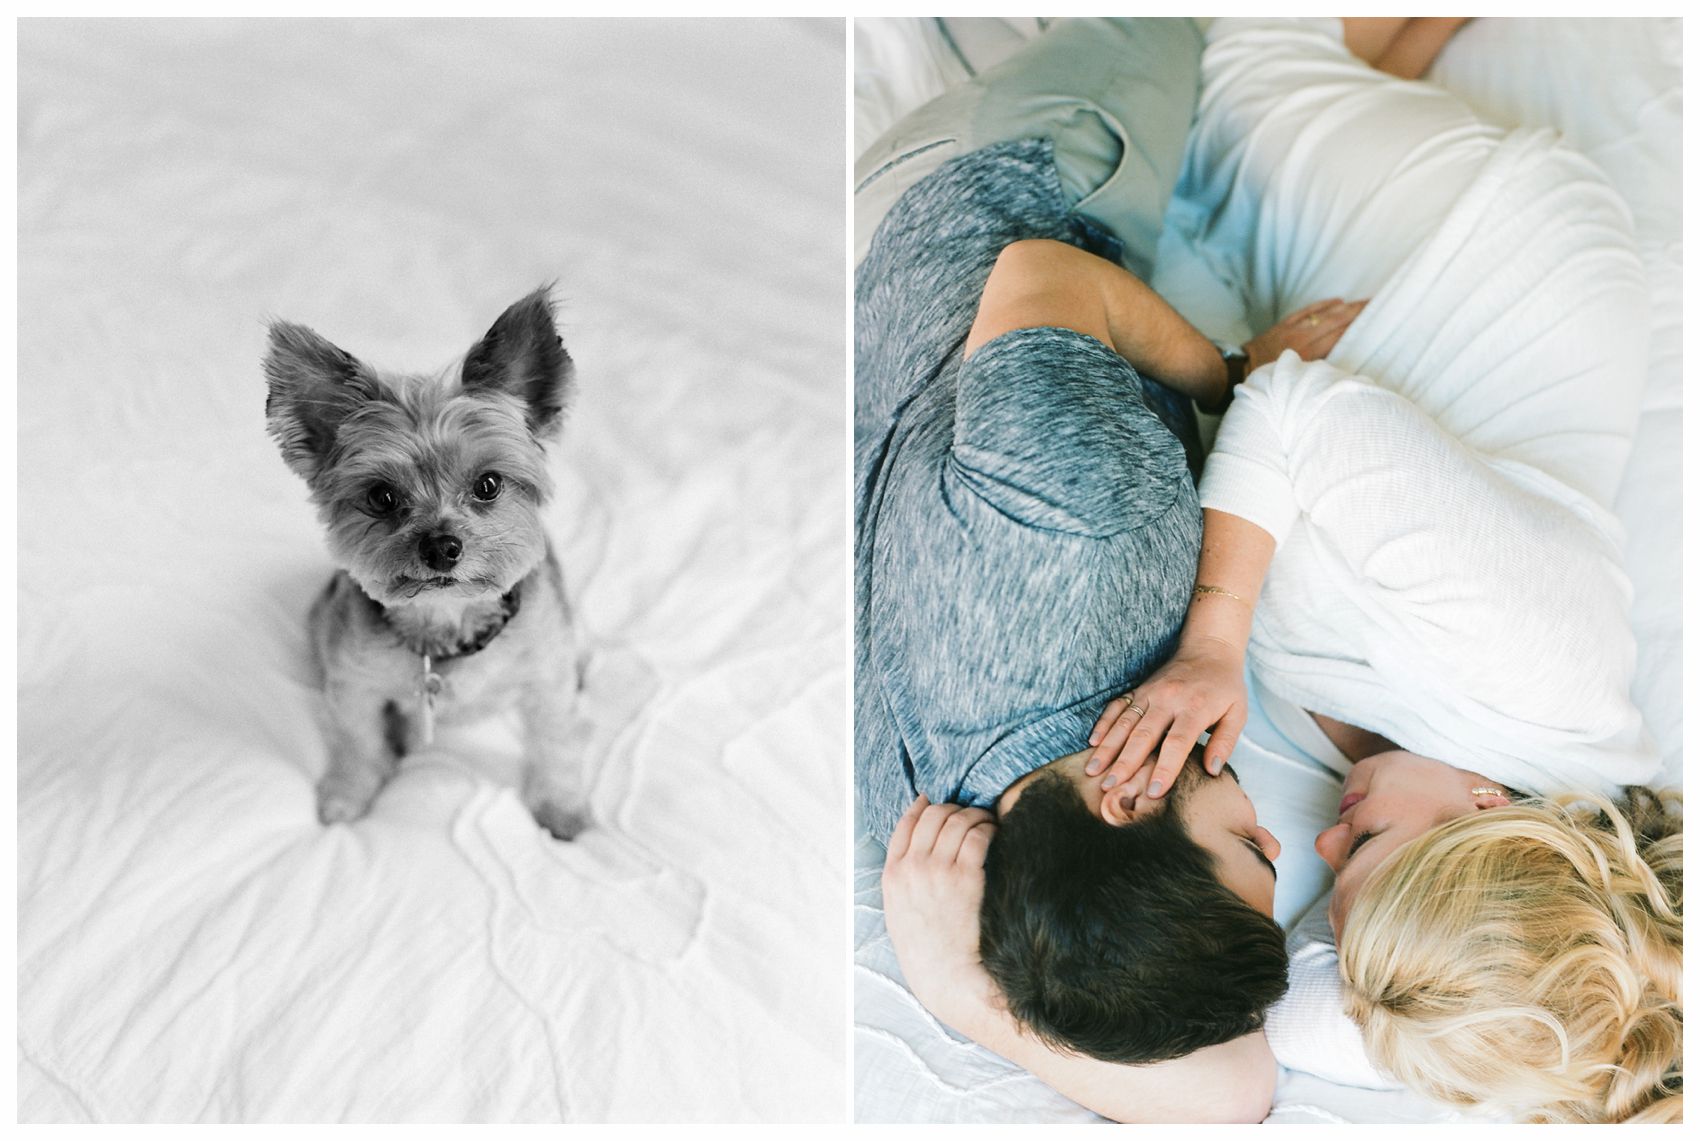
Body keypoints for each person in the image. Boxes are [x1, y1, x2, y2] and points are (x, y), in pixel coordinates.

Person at [891, 16, 1681, 1124]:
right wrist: (1214, 638)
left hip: (1351, 350)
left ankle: (1371, 78)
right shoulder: (1531, 656)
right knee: (1240, 56)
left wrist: (971, 998)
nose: (1315, 842)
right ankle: (1359, 75)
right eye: (1360, 843)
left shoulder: (1435, 953)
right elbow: (1293, 410)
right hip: (1466, 249)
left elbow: (1233, 1090)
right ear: (1485, 801)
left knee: (1221, 193)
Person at [854, 18, 1355, 1121]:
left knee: (1167, 28)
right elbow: (1230, 1096)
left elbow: (1043, 274)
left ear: (1127, 798)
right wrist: (959, 994)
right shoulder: (926, 840)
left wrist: (1231, 373)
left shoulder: (1088, 539)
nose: (1277, 832)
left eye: (1244, 847)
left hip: (993, 187)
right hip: (883, 320)